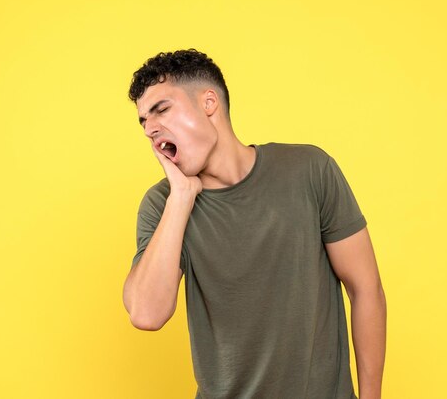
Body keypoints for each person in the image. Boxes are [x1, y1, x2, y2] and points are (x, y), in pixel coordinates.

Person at [122, 49, 387, 399]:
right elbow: (146, 314)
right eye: (143, 121)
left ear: (209, 103)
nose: (150, 129)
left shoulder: (309, 170)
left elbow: (365, 289)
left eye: (161, 109)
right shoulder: (162, 205)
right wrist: (182, 195)